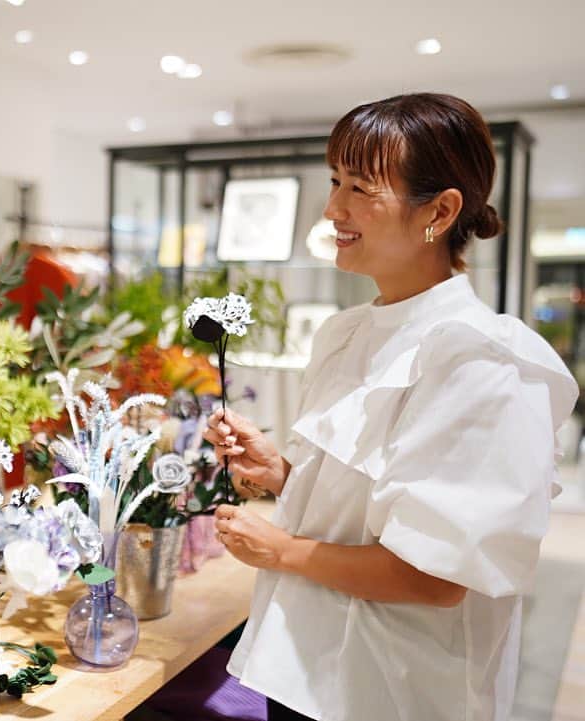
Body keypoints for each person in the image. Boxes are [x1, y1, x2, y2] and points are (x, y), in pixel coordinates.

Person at [203, 93, 577, 721]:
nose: (332, 209)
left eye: (360, 188)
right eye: (333, 181)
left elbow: (434, 576)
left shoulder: (483, 360)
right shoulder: (345, 333)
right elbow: (375, 510)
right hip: (301, 666)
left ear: (440, 210)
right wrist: (286, 476)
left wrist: (279, 550)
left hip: (391, 688)